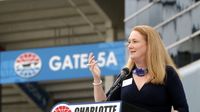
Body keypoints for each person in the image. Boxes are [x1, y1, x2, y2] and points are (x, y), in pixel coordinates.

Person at [87, 25, 189, 112]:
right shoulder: (125, 75)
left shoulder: (167, 73)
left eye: (135, 41)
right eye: (129, 42)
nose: (130, 46)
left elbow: (182, 109)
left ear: (150, 45)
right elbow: (103, 106)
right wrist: (97, 78)